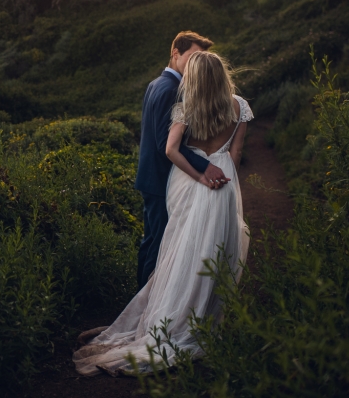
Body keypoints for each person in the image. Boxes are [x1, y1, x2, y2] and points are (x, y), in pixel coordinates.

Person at [72, 50, 253, 376]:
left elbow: (171, 149)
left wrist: (200, 175)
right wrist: (226, 184)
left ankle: (174, 314)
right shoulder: (239, 106)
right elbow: (237, 152)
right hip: (224, 182)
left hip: (191, 182)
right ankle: (207, 321)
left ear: (195, 78)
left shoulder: (186, 108)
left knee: (184, 250)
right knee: (218, 250)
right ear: (222, 74)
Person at [134, 32, 229, 290]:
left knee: (151, 241)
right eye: (192, 56)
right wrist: (202, 167)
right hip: (160, 179)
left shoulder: (156, 83)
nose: (195, 62)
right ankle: (145, 305)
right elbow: (165, 144)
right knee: (159, 244)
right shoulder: (172, 90)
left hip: (150, 176)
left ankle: (140, 302)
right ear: (176, 53)